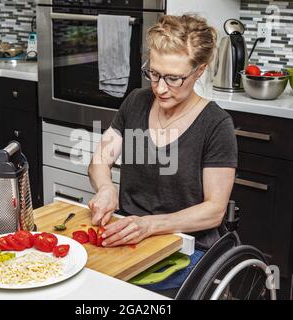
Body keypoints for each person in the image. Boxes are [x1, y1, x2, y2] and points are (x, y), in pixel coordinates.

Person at [87, 14, 238, 293]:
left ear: (199, 71)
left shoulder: (216, 125)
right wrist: (106, 187)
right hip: (128, 234)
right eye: (154, 73)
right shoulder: (136, 102)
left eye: (173, 78)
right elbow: (100, 160)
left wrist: (150, 226)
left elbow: (214, 210)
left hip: (186, 248)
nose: (160, 87)